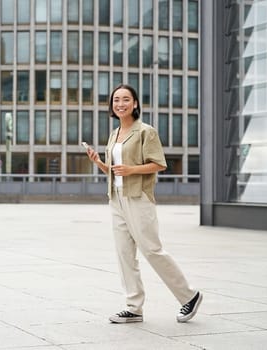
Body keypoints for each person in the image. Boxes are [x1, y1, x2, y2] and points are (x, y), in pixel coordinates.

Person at [85, 84, 202, 324]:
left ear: (135, 104)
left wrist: (131, 170)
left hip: (139, 198)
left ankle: (189, 296)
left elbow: (159, 164)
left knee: (152, 250)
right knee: (124, 254)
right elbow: (115, 172)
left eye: (126, 99)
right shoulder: (114, 134)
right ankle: (133, 307)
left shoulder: (145, 132)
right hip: (116, 198)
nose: (120, 104)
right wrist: (99, 162)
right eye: (116, 100)